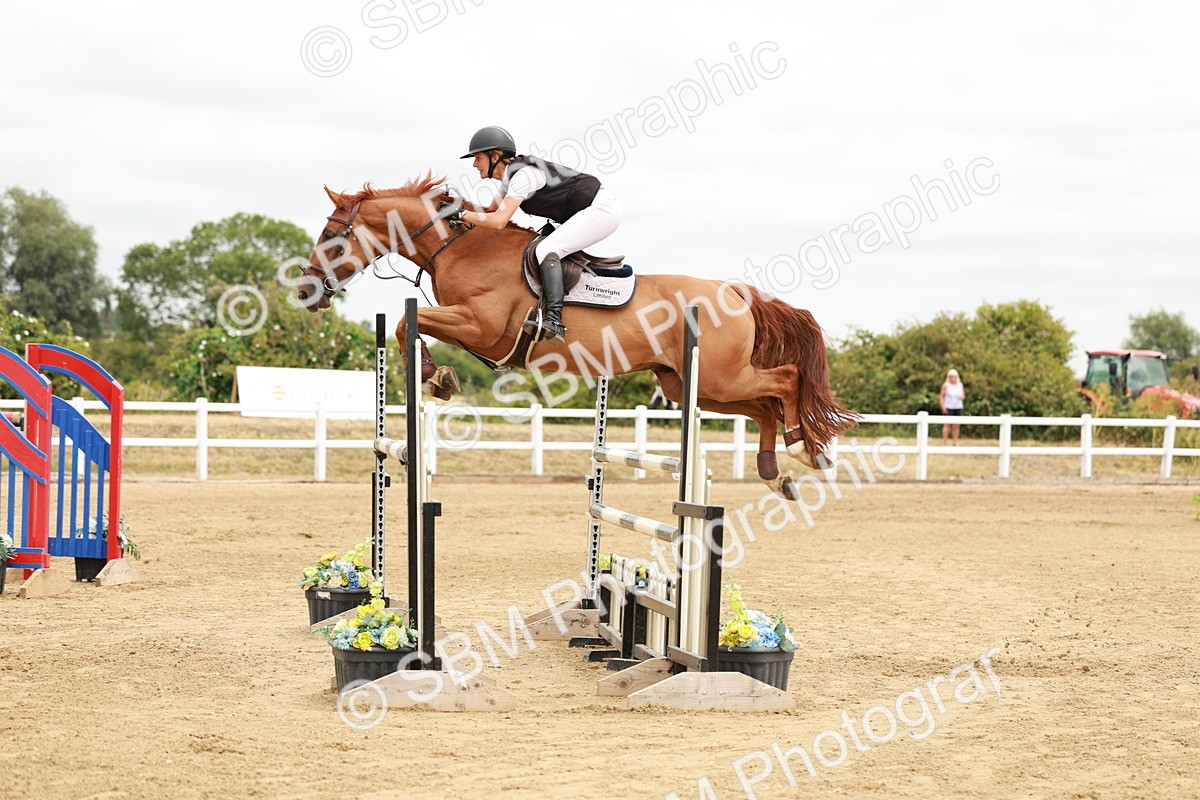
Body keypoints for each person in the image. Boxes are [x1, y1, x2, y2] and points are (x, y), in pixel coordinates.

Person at [458, 126, 621, 343]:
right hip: (587, 210)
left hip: (601, 210)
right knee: (542, 246)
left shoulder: (522, 176)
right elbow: (490, 212)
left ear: (495, 156)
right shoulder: (509, 180)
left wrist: (462, 213)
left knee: (546, 249)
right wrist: (457, 211)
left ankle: (554, 319)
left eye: (478, 158)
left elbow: (498, 222)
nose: (474, 164)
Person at [940, 368, 965, 445]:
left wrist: (962, 397)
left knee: (956, 425)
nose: (952, 378)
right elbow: (941, 396)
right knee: (947, 424)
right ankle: (945, 442)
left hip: (958, 407)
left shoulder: (960, 385)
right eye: (951, 376)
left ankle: (955, 442)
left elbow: (963, 395)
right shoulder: (945, 385)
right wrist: (943, 406)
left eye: (954, 376)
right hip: (949, 406)